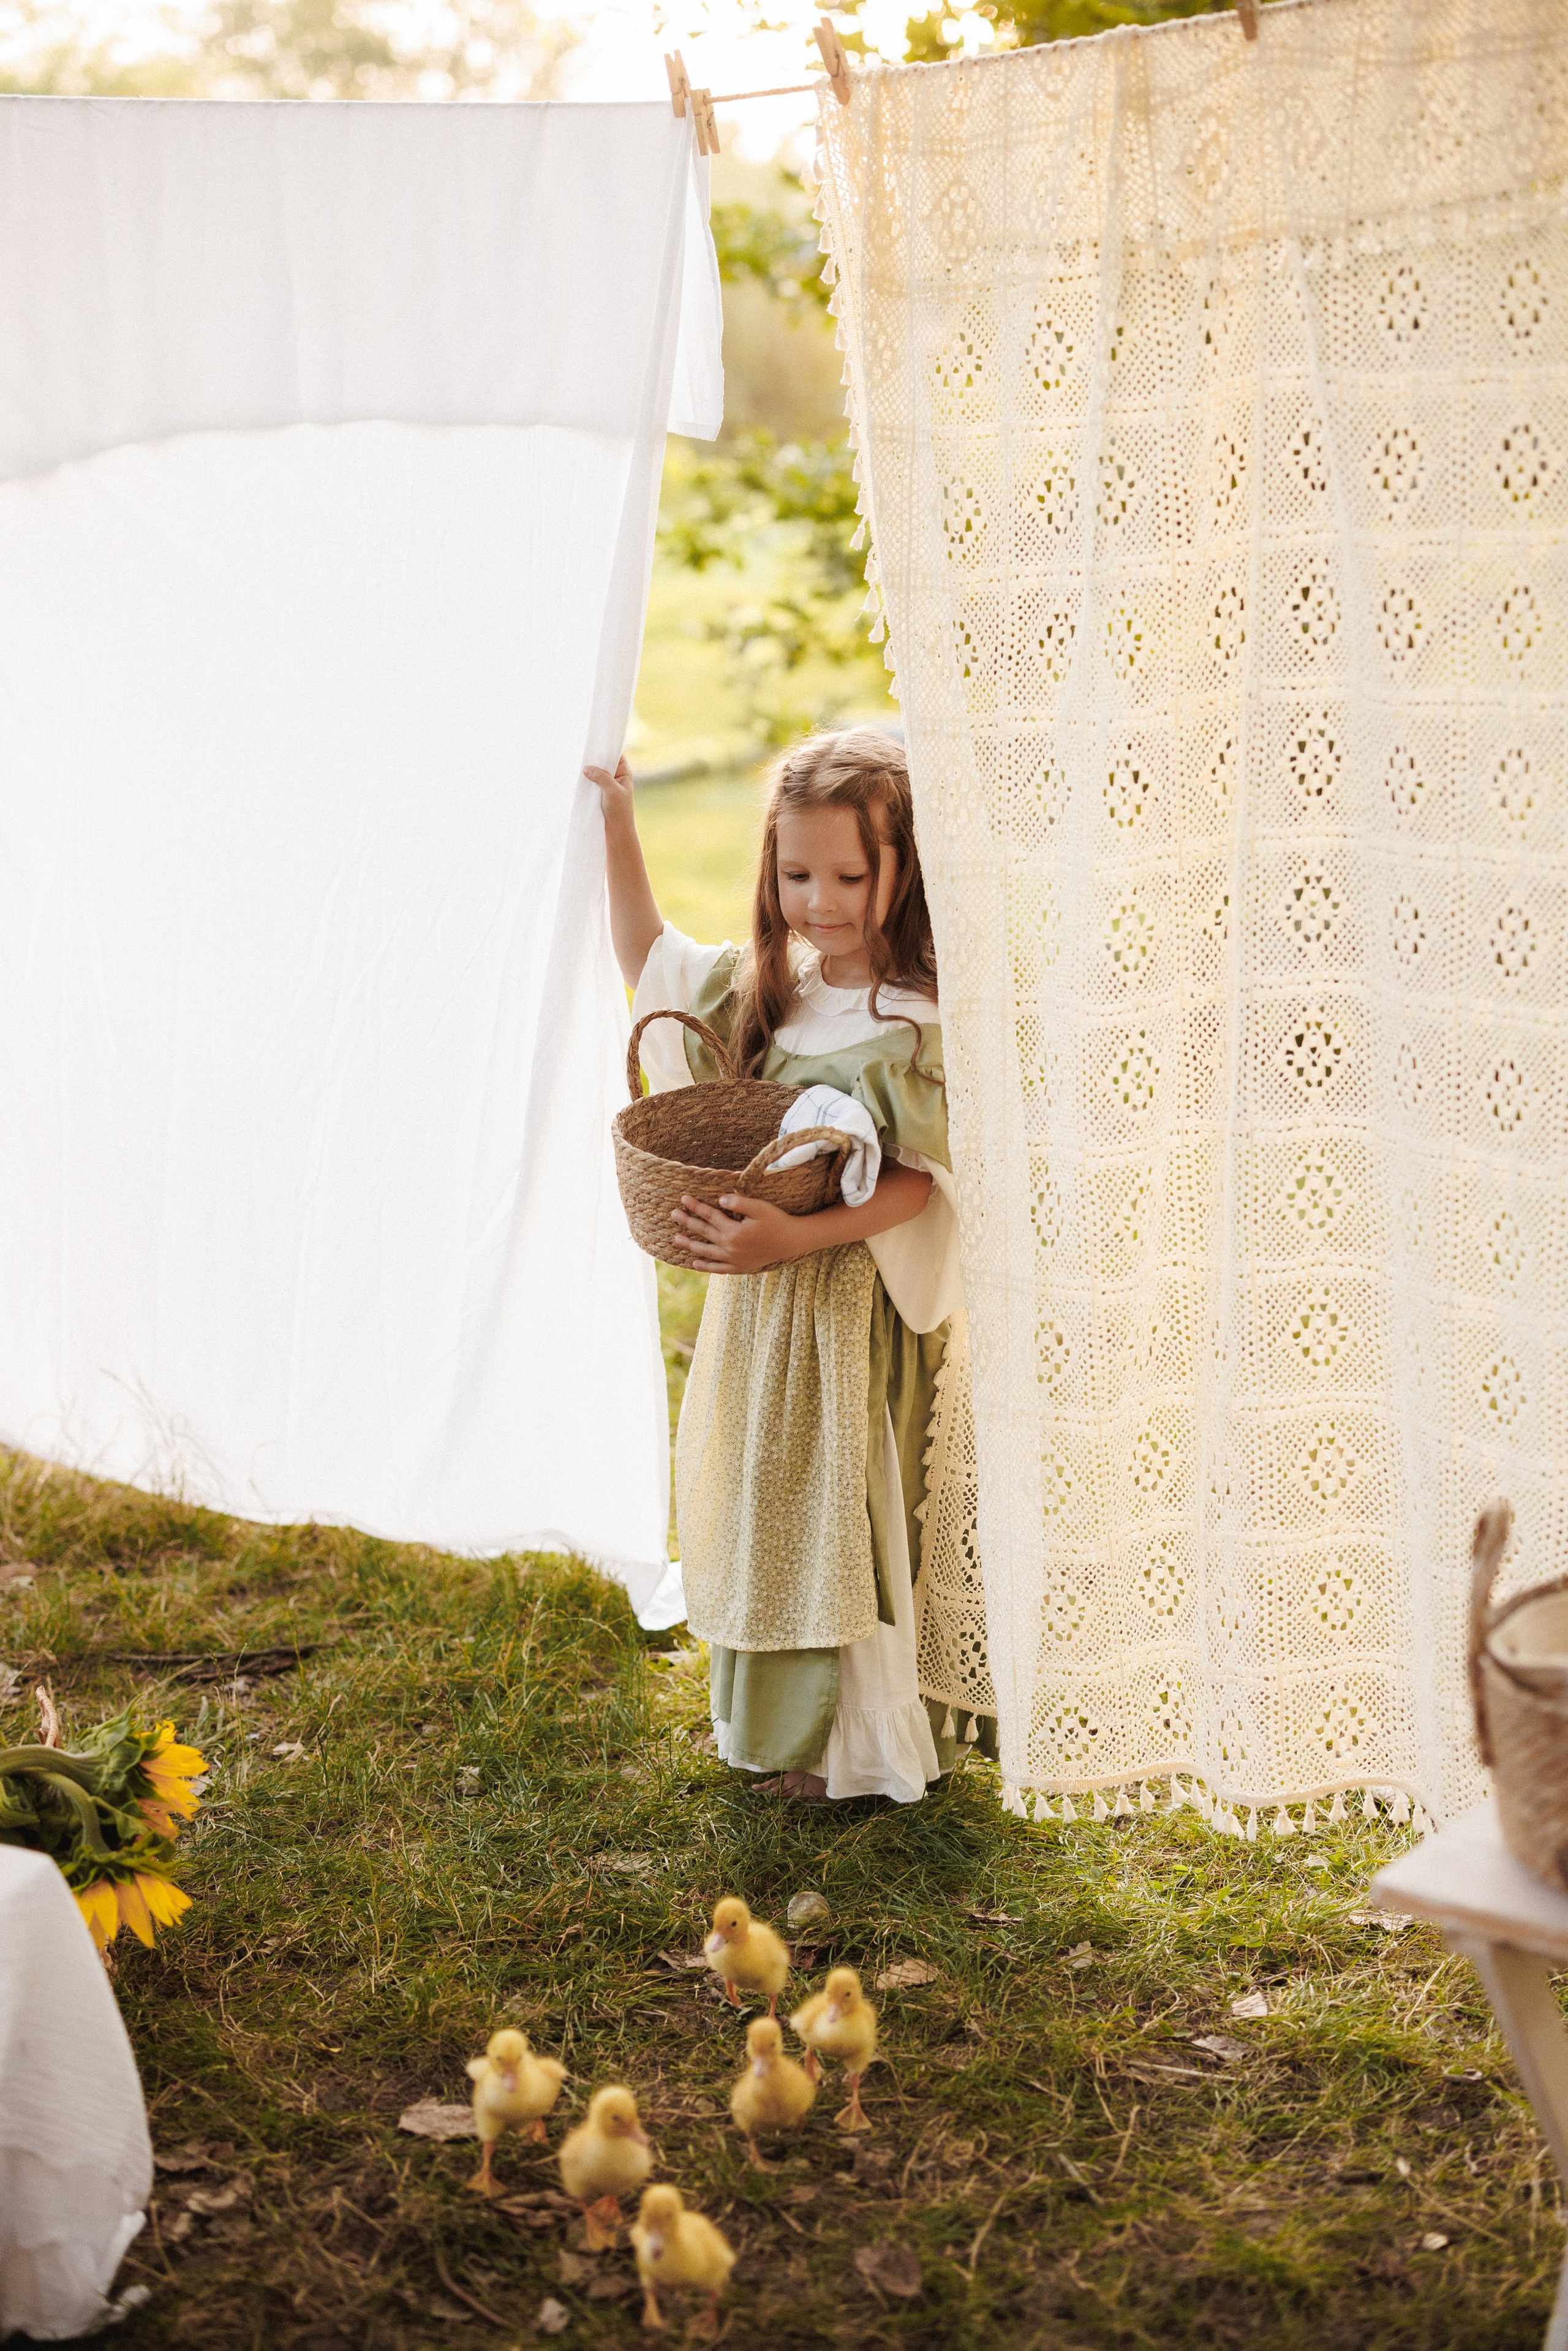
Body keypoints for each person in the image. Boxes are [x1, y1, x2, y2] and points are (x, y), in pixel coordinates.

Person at [587, 728, 978, 1804]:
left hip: (854, 1318)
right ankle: (774, 1730)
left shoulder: (915, 1021)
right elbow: (648, 959)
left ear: (906, 869)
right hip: (765, 1323)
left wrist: (797, 1236)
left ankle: (851, 1744)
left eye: (851, 875)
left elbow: (924, 1180)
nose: (821, 900)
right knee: (767, 1497)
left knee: (841, 1510)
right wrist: (620, 824)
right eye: (797, 873)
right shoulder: (777, 989)